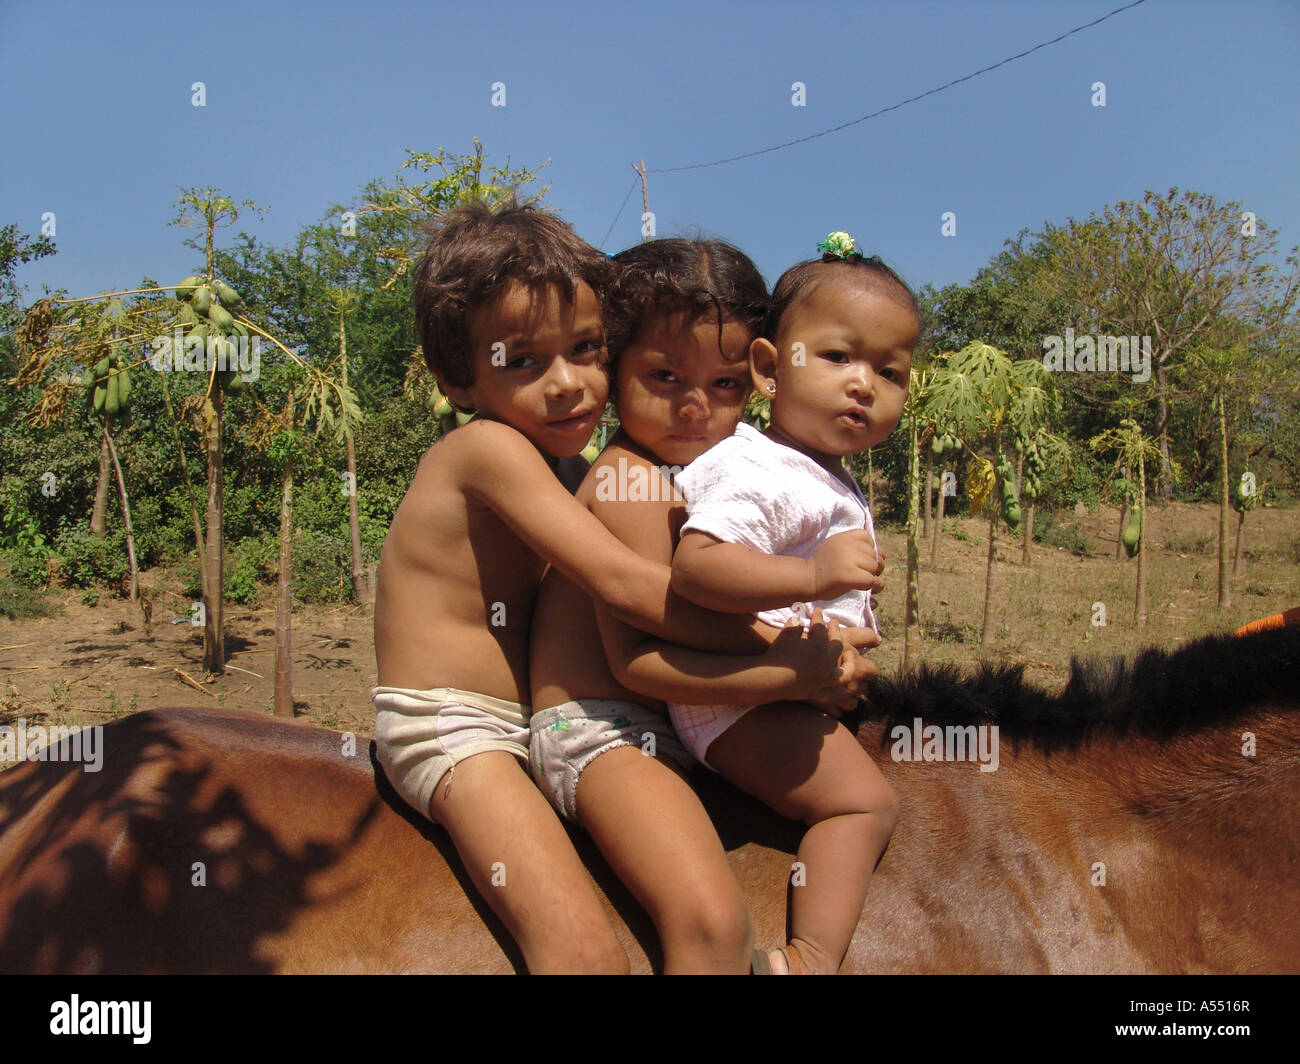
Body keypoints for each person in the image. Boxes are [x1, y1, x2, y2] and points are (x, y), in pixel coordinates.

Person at [371, 202, 850, 973]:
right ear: (458, 377)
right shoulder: (488, 450)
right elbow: (627, 587)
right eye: (523, 361)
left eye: (586, 349)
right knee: (587, 951)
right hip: (455, 726)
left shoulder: (566, 465)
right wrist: (790, 647)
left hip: (522, 717)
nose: (568, 384)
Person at [529, 238, 875, 974]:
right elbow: (639, 665)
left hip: (673, 718)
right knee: (714, 920)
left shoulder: (700, 478)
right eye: (664, 376)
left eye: (725, 385)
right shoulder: (631, 483)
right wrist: (796, 670)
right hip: (603, 727)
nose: (697, 407)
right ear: (613, 367)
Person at [667, 232, 918, 974]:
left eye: (890, 370)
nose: (864, 382)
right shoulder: (757, 465)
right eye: (839, 357)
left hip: (789, 691)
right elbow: (699, 567)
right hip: (745, 701)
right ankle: (806, 959)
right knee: (866, 806)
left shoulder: (817, 474)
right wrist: (813, 583)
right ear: (772, 369)